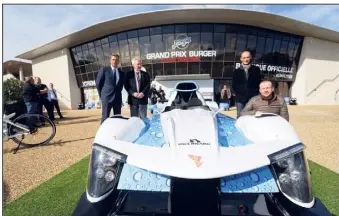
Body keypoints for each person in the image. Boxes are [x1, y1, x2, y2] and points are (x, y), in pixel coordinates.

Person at [96, 54, 125, 123]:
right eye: (113, 59)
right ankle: (103, 133)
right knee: (105, 117)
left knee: (118, 118)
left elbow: (120, 86)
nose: (115, 61)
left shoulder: (121, 73)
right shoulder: (104, 70)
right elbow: (98, 84)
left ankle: (116, 133)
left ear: (118, 61)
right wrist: (102, 96)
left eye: (116, 60)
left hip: (117, 99)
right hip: (106, 98)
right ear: (110, 60)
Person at [232, 50, 262, 118]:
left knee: (252, 116)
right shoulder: (236, 71)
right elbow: (234, 85)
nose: (246, 59)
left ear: (250, 57)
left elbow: (258, 83)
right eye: (244, 58)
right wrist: (238, 93)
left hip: (252, 98)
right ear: (241, 59)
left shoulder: (256, 69)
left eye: (247, 57)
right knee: (240, 115)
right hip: (240, 99)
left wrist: (255, 94)